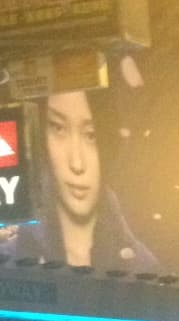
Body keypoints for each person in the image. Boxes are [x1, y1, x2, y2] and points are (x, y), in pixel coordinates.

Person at [14, 90, 158, 271]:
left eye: (91, 135)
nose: (77, 163)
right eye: (59, 129)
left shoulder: (143, 266)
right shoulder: (4, 260)